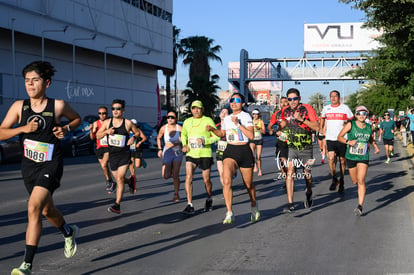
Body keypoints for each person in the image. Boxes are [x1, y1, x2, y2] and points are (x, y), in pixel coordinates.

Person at [0, 61, 80, 274]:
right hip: (29, 166)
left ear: (47, 83)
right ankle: (68, 231)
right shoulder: (19, 107)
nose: (30, 85)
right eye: (27, 81)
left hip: (51, 163)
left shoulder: (58, 105)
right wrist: (23, 128)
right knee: (46, 209)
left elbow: (77, 119)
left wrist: (66, 128)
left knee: (33, 207)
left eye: (35, 80)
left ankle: (26, 265)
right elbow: (1, 132)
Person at [207, 93, 260, 224]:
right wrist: (213, 129)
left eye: (236, 100)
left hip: (244, 151)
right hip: (230, 150)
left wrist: (239, 125)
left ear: (242, 103)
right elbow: (222, 134)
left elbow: (251, 136)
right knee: (226, 181)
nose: (233, 102)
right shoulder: (227, 118)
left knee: (248, 185)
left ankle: (254, 206)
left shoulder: (246, 116)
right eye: (231, 100)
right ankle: (229, 212)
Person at [96, 99, 142, 214]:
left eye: (118, 109)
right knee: (118, 179)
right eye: (113, 109)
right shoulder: (107, 122)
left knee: (120, 178)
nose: (115, 111)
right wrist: (106, 132)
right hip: (112, 155)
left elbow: (137, 133)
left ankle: (117, 205)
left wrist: (133, 138)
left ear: (123, 110)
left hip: (124, 154)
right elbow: (97, 135)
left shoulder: (127, 123)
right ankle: (130, 182)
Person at [279, 88, 320, 213]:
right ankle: (290, 203)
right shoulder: (284, 111)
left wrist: (302, 119)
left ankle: (309, 191)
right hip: (292, 147)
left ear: (299, 98)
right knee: (290, 172)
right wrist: (279, 130)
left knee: (307, 173)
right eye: (290, 99)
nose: (292, 101)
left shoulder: (307, 109)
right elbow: (284, 125)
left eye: (295, 99)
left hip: (306, 148)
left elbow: (317, 126)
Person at [337, 105, 380, 216]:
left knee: (361, 180)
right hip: (351, 156)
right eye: (359, 113)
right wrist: (348, 142)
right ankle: (359, 187)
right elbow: (339, 137)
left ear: (367, 115)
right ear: (356, 115)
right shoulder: (350, 125)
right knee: (355, 181)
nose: (362, 115)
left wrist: (375, 146)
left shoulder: (369, 127)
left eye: (364, 113)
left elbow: (370, 138)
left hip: (363, 156)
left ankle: (360, 206)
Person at [181, 100, 219, 214]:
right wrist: (184, 144)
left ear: (202, 109)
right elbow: (183, 134)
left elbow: (217, 136)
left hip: (205, 154)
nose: (196, 110)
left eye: (198, 108)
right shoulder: (187, 121)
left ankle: (208, 198)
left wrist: (205, 140)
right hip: (191, 154)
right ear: (191, 109)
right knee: (188, 177)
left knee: (206, 180)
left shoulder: (208, 120)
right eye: (193, 108)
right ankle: (190, 204)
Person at [320, 90, 354, 193]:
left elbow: (351, 119)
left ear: (339, 97)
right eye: (331, 96)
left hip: (342, 138)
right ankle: (334, 178)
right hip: (330, 138)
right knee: (331, 158)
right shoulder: (326, 108)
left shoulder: (345, 108)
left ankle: (342, 180)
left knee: (342, 160)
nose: (333, 98)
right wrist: (321, 129)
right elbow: (322, 118)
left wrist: (347, 125)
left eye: (335, 96)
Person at [156, 111, 183, 202]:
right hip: (167, 151)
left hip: (177, 151)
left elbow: (184, 138)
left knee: (176, 175)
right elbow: (159, 138)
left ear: (176, 118)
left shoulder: (179, 128)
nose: (170, 119)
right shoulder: (164, 128)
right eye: (168, 117)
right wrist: (159, 149)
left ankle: (176, 193)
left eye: (172, 117)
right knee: (166, 176)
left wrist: (182, 142)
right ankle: (169, 166)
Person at [90, 106, 116, 193]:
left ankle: (109, 181)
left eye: (104, 113)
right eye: (100, 113)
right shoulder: (95, 123)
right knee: (104, 167)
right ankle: (113, 181)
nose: (102, 115)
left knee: (104, 164)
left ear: (107, 114)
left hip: (108, 147)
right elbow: (92, 137)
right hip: (99, 147)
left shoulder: (110, 122)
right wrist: (91, 130)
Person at [268, 96, 289, 180]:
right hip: (281, 140)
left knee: (291, 161)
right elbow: (270, 125)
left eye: (285, 101)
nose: (283, 103)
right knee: (281, 159)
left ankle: (290, 175)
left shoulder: (293, 113)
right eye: (281, 102)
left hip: (292, 140)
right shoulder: (276, 114)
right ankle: (286, 177)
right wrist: (271, 129)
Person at [128, 118, 147, 193]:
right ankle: (133, 178)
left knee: (138, 165)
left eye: (134, 124)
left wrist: (139, 143)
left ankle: (141, 160)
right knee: (131, 164)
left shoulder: (138, 131)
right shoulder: (128, 131)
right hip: (130, 150)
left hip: (137, 149)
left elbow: (144, 138)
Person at [215, 108, 230, 186]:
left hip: (230, 150)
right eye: (222, 112)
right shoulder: (216, 126)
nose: (223, 114)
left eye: (226, 113)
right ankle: (225, 189)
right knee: (221, 173)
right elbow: (212, 137)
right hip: (220, 150)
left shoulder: (231, 125)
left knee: (228, 173)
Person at [250, 109, 265, 176]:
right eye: (254, 114)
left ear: (258, 115)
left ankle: (260, 170)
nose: (255, 115)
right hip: (252, 139)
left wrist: (259, 128)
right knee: (252, 155)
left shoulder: (261, 121)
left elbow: (264, 131)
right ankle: (255, 165)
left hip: (259, 139)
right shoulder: (250, 122)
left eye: (256, 114)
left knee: (258, 157)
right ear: (252, 115)